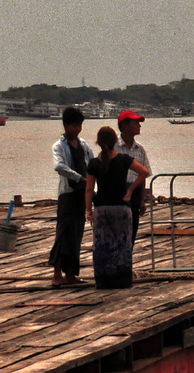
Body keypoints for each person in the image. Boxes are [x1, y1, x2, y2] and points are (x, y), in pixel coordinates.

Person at [86, 125, 148, 289]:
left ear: (98, 142)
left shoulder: (93, 164)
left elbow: (89, 189)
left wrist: (88, 210)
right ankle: (122, 279)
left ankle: (103, 280)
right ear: (115, 142)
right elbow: (144, 172)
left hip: (102, 208)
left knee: (101, 244)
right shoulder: (123, 160)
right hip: (121, 208)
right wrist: (130, 190)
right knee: (122, 245)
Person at [48, 107, 92, 287]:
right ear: (66, 125)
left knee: (76, 234)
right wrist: (79, 177)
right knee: (63, 234)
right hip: (67, 194)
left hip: (82, 193)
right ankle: (57, 274)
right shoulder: (59, 146)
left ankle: (71, 274)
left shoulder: (83, 145)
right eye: (74, 125)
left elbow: (92, 161)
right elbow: (59, 166)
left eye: (80, 125)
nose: (78, 129)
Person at [117, 110, 151, 243]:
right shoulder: (114, 146)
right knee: (119, 230)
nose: (139, 126)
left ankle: (127, 260)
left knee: (133, 229)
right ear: (125, 126)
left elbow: (143, 176)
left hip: (135, 190)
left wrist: (142, 199)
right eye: (135, 123)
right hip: (119, 190)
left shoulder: (140, 149)